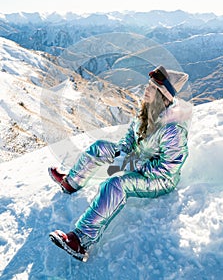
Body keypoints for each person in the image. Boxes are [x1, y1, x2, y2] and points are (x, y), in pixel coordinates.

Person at [48, 65, 192, 262]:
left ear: (163, 96)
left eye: (152, 88)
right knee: (100, 148)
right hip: (136, 159)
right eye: (148, 85)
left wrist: (132, 164)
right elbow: (130, 138)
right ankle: (71, 182)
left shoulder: (172, 128)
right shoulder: (147, 112)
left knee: (116, 185)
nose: (146, 90)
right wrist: (122, 152)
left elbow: (168, 168)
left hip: (160, 179)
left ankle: (81, 240)